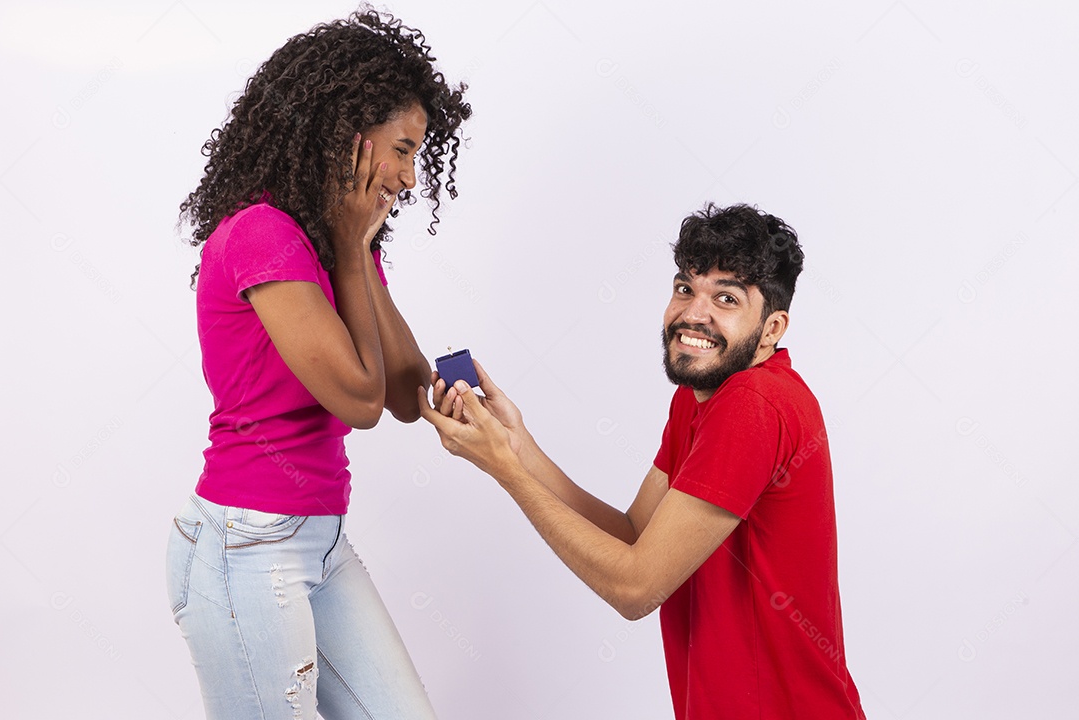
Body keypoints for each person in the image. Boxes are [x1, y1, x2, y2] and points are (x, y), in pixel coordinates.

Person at [420, 204, 866, 719]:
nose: (693, 314)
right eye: (685, 288)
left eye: (725, 298)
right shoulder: (702, 395)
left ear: (771, 329)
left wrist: (507, 472)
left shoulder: (753, 405)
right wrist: (516, 445)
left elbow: (634, 588)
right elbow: (634, 534)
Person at [164, 8, 470, 720]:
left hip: (318, 542)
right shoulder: (264, 235)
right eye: (400, 149)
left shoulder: (335, 240)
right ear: (347, 132)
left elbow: (398, 389)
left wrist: (357, 249)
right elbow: (358, 405)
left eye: (417, 154)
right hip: (244, 546)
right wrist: (350, 240)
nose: (408, 176)